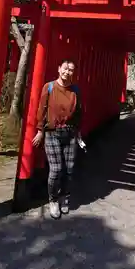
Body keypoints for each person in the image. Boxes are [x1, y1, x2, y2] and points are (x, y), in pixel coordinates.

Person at [32, 59, 82, 219]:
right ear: (59, 69)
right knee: (56, 169)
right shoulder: (50, 87)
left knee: (69, 169)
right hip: (52, 133)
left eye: (71, 70)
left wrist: (79, 132)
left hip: (70, 133)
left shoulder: (75, 90)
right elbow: (41, 109)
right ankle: (53, 200)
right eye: (66, 68)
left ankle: (64, 197)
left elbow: (79, 112)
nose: (68, 72)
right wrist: (40, 130)